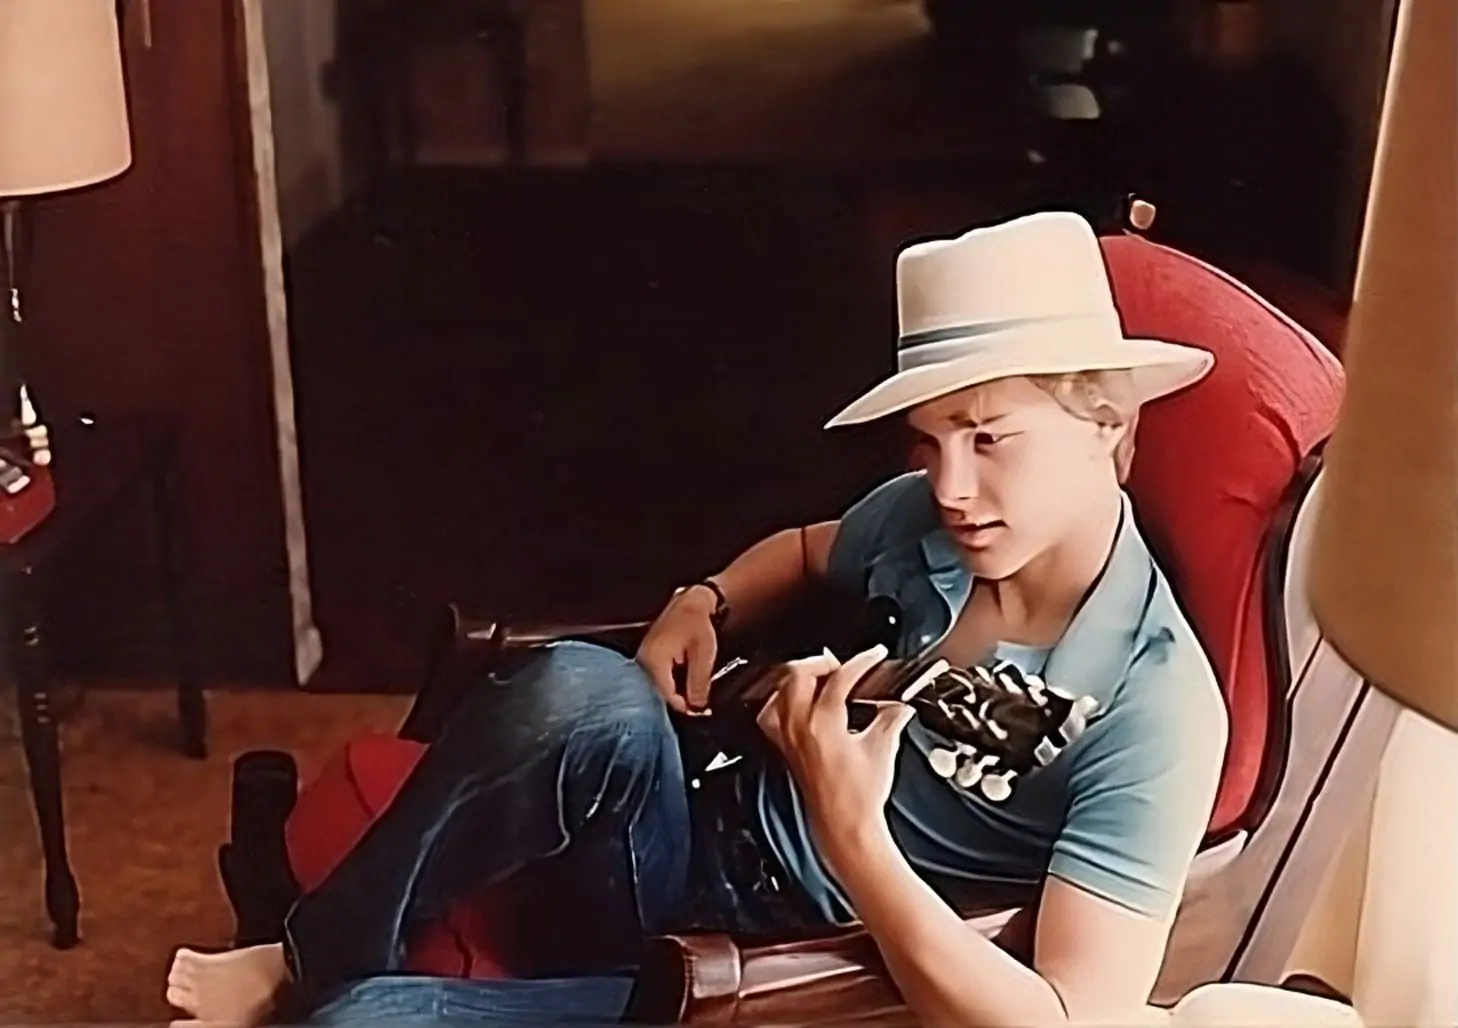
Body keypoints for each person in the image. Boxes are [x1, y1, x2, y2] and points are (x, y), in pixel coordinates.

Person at [165, 210, 1228, 1028]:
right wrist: (702, 600)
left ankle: (340, 984)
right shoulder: (934, 524)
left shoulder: (1156, 707)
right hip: (675, 833)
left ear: (1109, 425)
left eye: (990, 438)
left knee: (363, 1024)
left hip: (765, 974)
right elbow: (811, 546)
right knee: (585, 683)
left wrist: (854, 831)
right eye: (926, 440)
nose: (948, 485)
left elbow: (1069, 1017)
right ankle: (313, 947)